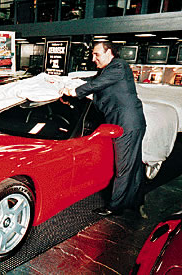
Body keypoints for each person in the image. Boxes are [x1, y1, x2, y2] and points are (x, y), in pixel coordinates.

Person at [61, 42, 147, 218]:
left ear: (110, 53)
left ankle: (116, 206)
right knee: (134, 165)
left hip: (127, 123)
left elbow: (95, 85)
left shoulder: (119, 67)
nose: (93, 59)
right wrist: (67, 81)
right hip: (129, 121)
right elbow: (92, 80)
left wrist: (73, 91)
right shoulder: (108, 70)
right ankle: (136, 201)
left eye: (97, 55)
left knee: (124, 166)